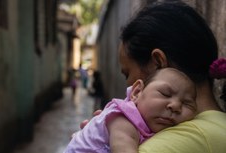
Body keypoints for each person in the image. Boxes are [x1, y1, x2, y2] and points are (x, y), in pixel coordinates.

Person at [79, 1, 226, 153]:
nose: (129, 85)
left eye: (128, 73)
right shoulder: (217, 124)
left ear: (158, 63)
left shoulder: (188, 139)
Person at [64, 68, 197, 153]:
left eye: (187, 104)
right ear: (137, 92)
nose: (175, 106)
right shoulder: (124, 119)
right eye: (165, 94)